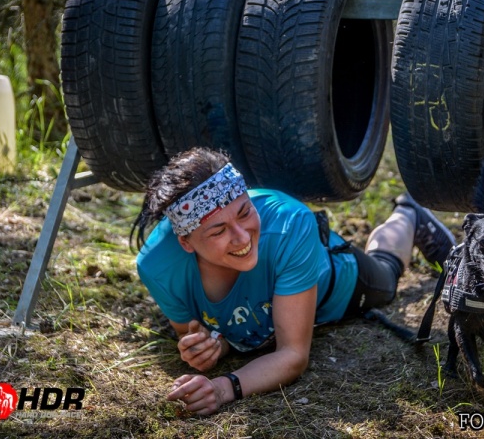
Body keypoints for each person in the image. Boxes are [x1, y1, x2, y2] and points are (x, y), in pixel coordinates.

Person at [131, 147, 455, 416]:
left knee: (386, 274)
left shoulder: (290, 223)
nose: (242, 237)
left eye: (245, 212)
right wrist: (210, 346)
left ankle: (408, 215)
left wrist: (221, 387)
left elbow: (292, 356)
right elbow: (202, 334)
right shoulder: (158, 266)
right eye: (218, 231)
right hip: (263, 318)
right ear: (186, 242)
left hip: (339, 285)